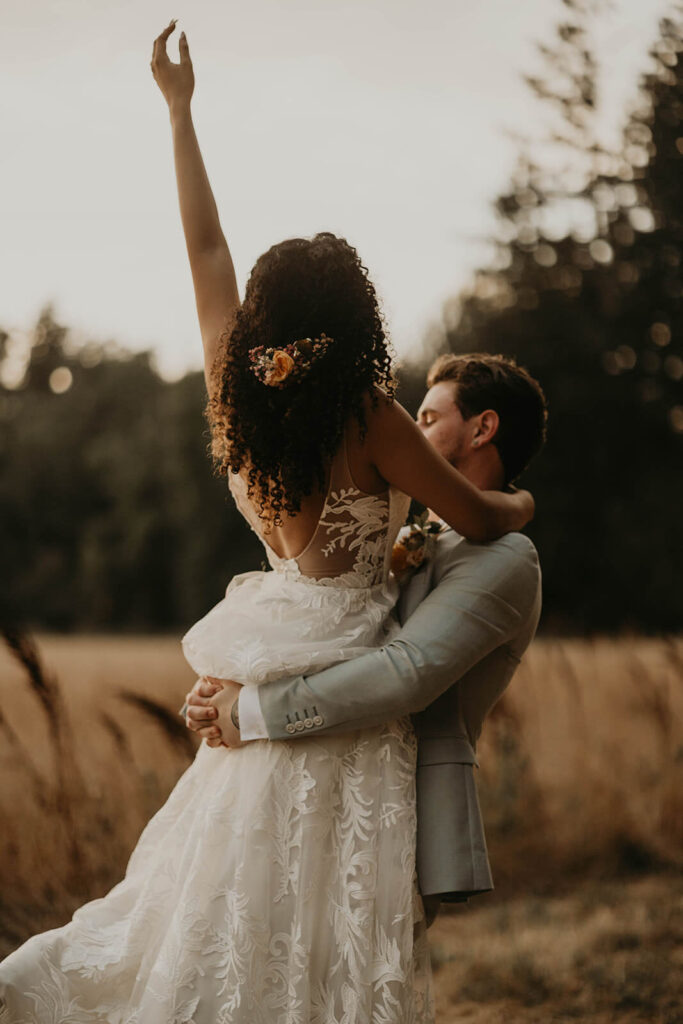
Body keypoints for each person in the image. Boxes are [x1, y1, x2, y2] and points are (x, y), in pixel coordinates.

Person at [0, 23, 534, 1023]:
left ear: (263, 323)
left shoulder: (231, 398)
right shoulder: (369, 416)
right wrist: (520, 500)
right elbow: (473, 512)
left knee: (216, 902)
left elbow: (202, 244)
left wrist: (177, 108)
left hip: (260, 673)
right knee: (321, 926)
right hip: (339, 696)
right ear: (353, 323)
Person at [184, 353, 546, 930]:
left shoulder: (507, 559)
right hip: (325, 776)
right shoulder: (414, 533)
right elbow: (334, 629)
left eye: (429, 418)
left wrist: (250, 711)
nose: (413, 430)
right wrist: (223, 689)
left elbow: (408, 671)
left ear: (484, 428)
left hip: (400, 805)